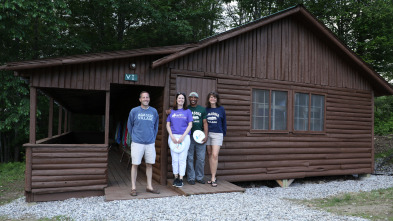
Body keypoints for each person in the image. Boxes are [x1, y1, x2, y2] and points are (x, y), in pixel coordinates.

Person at [127, 91, 160, 196]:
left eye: (147, 97)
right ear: (140, 99)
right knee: (135, 164)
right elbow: (129, 125)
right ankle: (133, 187)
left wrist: (153, 138)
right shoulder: (134, 111)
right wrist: (134, 137)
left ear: (149, 99)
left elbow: (156, 127)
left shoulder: (154, 111)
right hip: (137, 143)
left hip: (150, 143)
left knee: (149, 164)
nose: (145, 99)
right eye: (143, 97)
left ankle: (149, 187)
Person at [166, 92, 193, 187]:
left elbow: (190, 125)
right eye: (179, 98)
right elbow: (168, 124)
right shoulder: (171, 111)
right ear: (176, 100)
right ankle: (176, 177)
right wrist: (172, 136)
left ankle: (181, 179)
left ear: (184, 100)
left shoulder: (188, 111)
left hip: (184, 137)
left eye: (182, 98)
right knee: (174, 159)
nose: (181, 100)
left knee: (182, 158)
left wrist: (183, 136)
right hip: (173, 137)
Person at [186, 92, 208, 185]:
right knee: (189, 157)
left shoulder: (202, 109)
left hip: (200, 136)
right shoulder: (186, 108)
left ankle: (199, 177)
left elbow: (205, 123)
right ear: (189, 98)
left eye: (195, 97)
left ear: (197, 99)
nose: (193, 99)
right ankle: (191, 177)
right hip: (189, 136)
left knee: (201, 158)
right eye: (191, 97)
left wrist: (206, 135)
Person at [205, 91, 227, 187]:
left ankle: (213, 177)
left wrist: (223, 133)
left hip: (217, 134)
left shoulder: (221, 109)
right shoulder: (206, 110)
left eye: (214, 97)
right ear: (208, 99)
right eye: (211, 97)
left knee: (214, 155)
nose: (212, 99)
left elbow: (224, 122)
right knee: (209, 154)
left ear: (217, 99)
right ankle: (212, 176)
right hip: (208, 134)